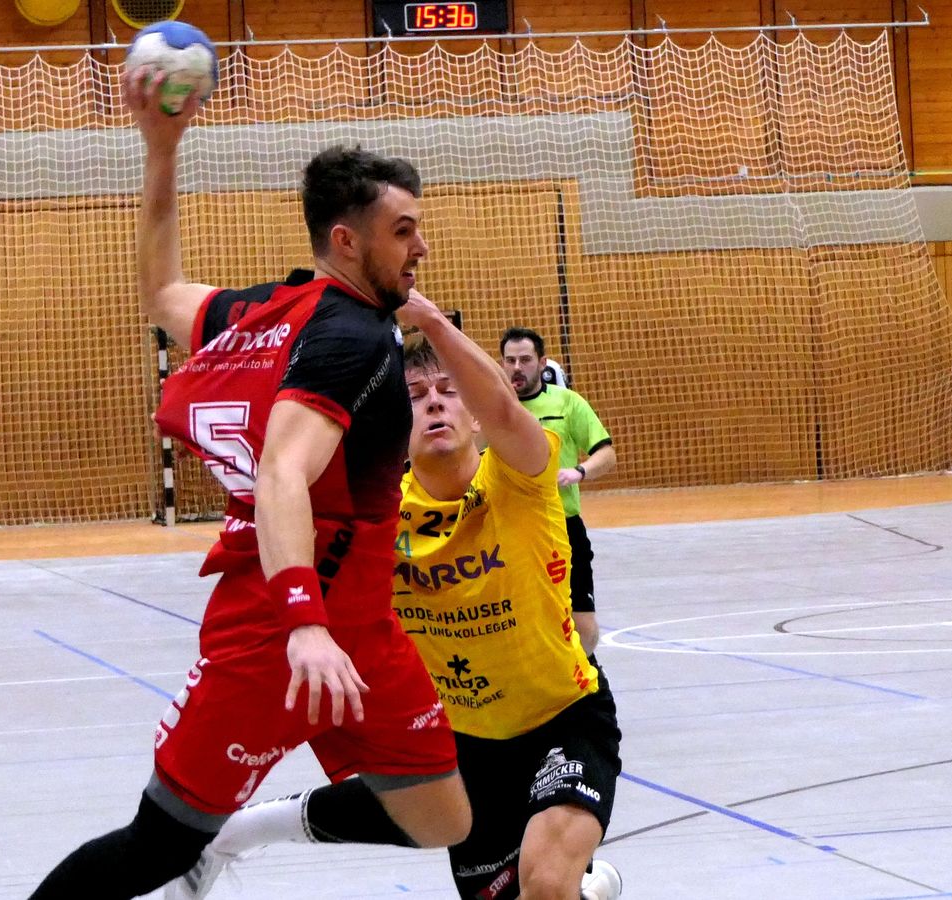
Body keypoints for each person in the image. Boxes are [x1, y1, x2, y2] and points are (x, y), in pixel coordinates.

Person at [29, 65, 469, 900]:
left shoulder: (269, 313)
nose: (421, 248)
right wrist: (303, 623)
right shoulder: (350, 340)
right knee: (155, 845)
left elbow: (162, 289)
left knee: (443, 819)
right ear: (348, 241)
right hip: (277, 634)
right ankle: (194, 846)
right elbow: (281, 473)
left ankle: (245, 829)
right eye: (404, 231)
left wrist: (163, 149)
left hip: (363, 629)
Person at [165, 295, 623, 900]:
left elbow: (506, 411)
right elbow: (288, 500)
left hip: (565, 716)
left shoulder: (521, 477)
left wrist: (430, 322)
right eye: (414, 394)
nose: (434, 402)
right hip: (460, 743)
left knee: (545, 883)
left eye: (448, 391)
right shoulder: (378, 515)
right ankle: (234, 833)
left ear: (475, 415)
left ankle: (573, 887)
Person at [500, 327, 616, 657]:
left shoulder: (566, 403)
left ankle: (586, 672)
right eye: (510, 360)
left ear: (542, 363)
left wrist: (580, 471)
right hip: (510, 528)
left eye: (525, 360)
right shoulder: (492, 409)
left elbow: (606, 453)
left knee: (584, 627)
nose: (517, 367)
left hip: (562, 526)